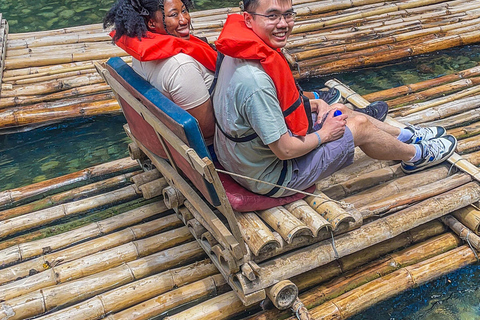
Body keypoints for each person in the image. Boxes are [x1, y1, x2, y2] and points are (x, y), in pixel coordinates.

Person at [212, 0, 457, 197]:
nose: (283, 24)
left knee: (337, 109)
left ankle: (405, 135)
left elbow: (261, 110)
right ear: (248, 18)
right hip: (270, 176)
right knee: (358, 126)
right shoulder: (255, 82)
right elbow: (285, 150)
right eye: (273, 16)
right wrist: (324, 134)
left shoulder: (235, 51)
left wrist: (311, 104)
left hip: (243, 158)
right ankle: (414, 155)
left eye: (288, 15)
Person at [104, 0, 217, 140]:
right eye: (174, 14)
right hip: (214, 148)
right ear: (151, 22)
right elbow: (207, 130)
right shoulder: (181, 67)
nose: (184, 19)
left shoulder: (141, 55)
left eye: (184, 10)